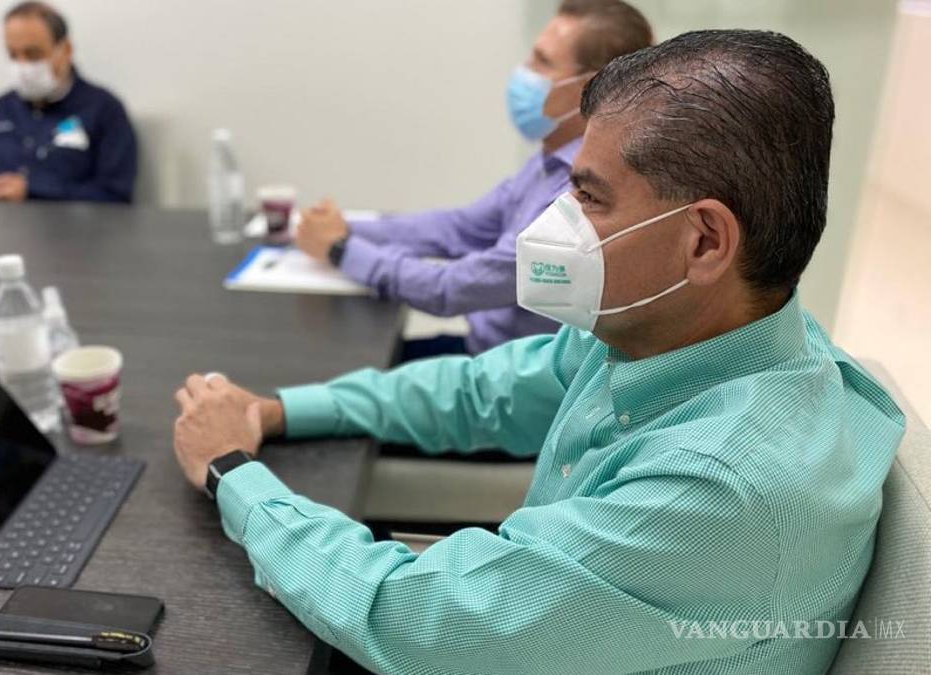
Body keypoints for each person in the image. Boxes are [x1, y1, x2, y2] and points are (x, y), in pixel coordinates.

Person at [171, 29, 907, 674]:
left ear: (705, 241)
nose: (555, 221)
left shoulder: (718, 492)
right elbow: (485, 391)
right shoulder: (686, 331)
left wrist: (232, 471)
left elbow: (408, 621)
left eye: (589, 196)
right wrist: (278, 410)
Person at [294, 0, 652, 360]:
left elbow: (449, 290)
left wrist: (341, 248)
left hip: (504, 379)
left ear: (589, 87)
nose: (524, 73)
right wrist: (342, 227)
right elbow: (458, 228)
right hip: (485, 356)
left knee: (330, 371)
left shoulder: (576, 194)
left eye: (542, 62)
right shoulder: (549, 162)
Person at [0, 2, 138, 204]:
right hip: (1, 222)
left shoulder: (104, 109)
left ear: (65, 50)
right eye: (13, 55)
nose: (22, 66)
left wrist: (32, 191)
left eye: (33, 54)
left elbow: (116, 195)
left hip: (73, 224)